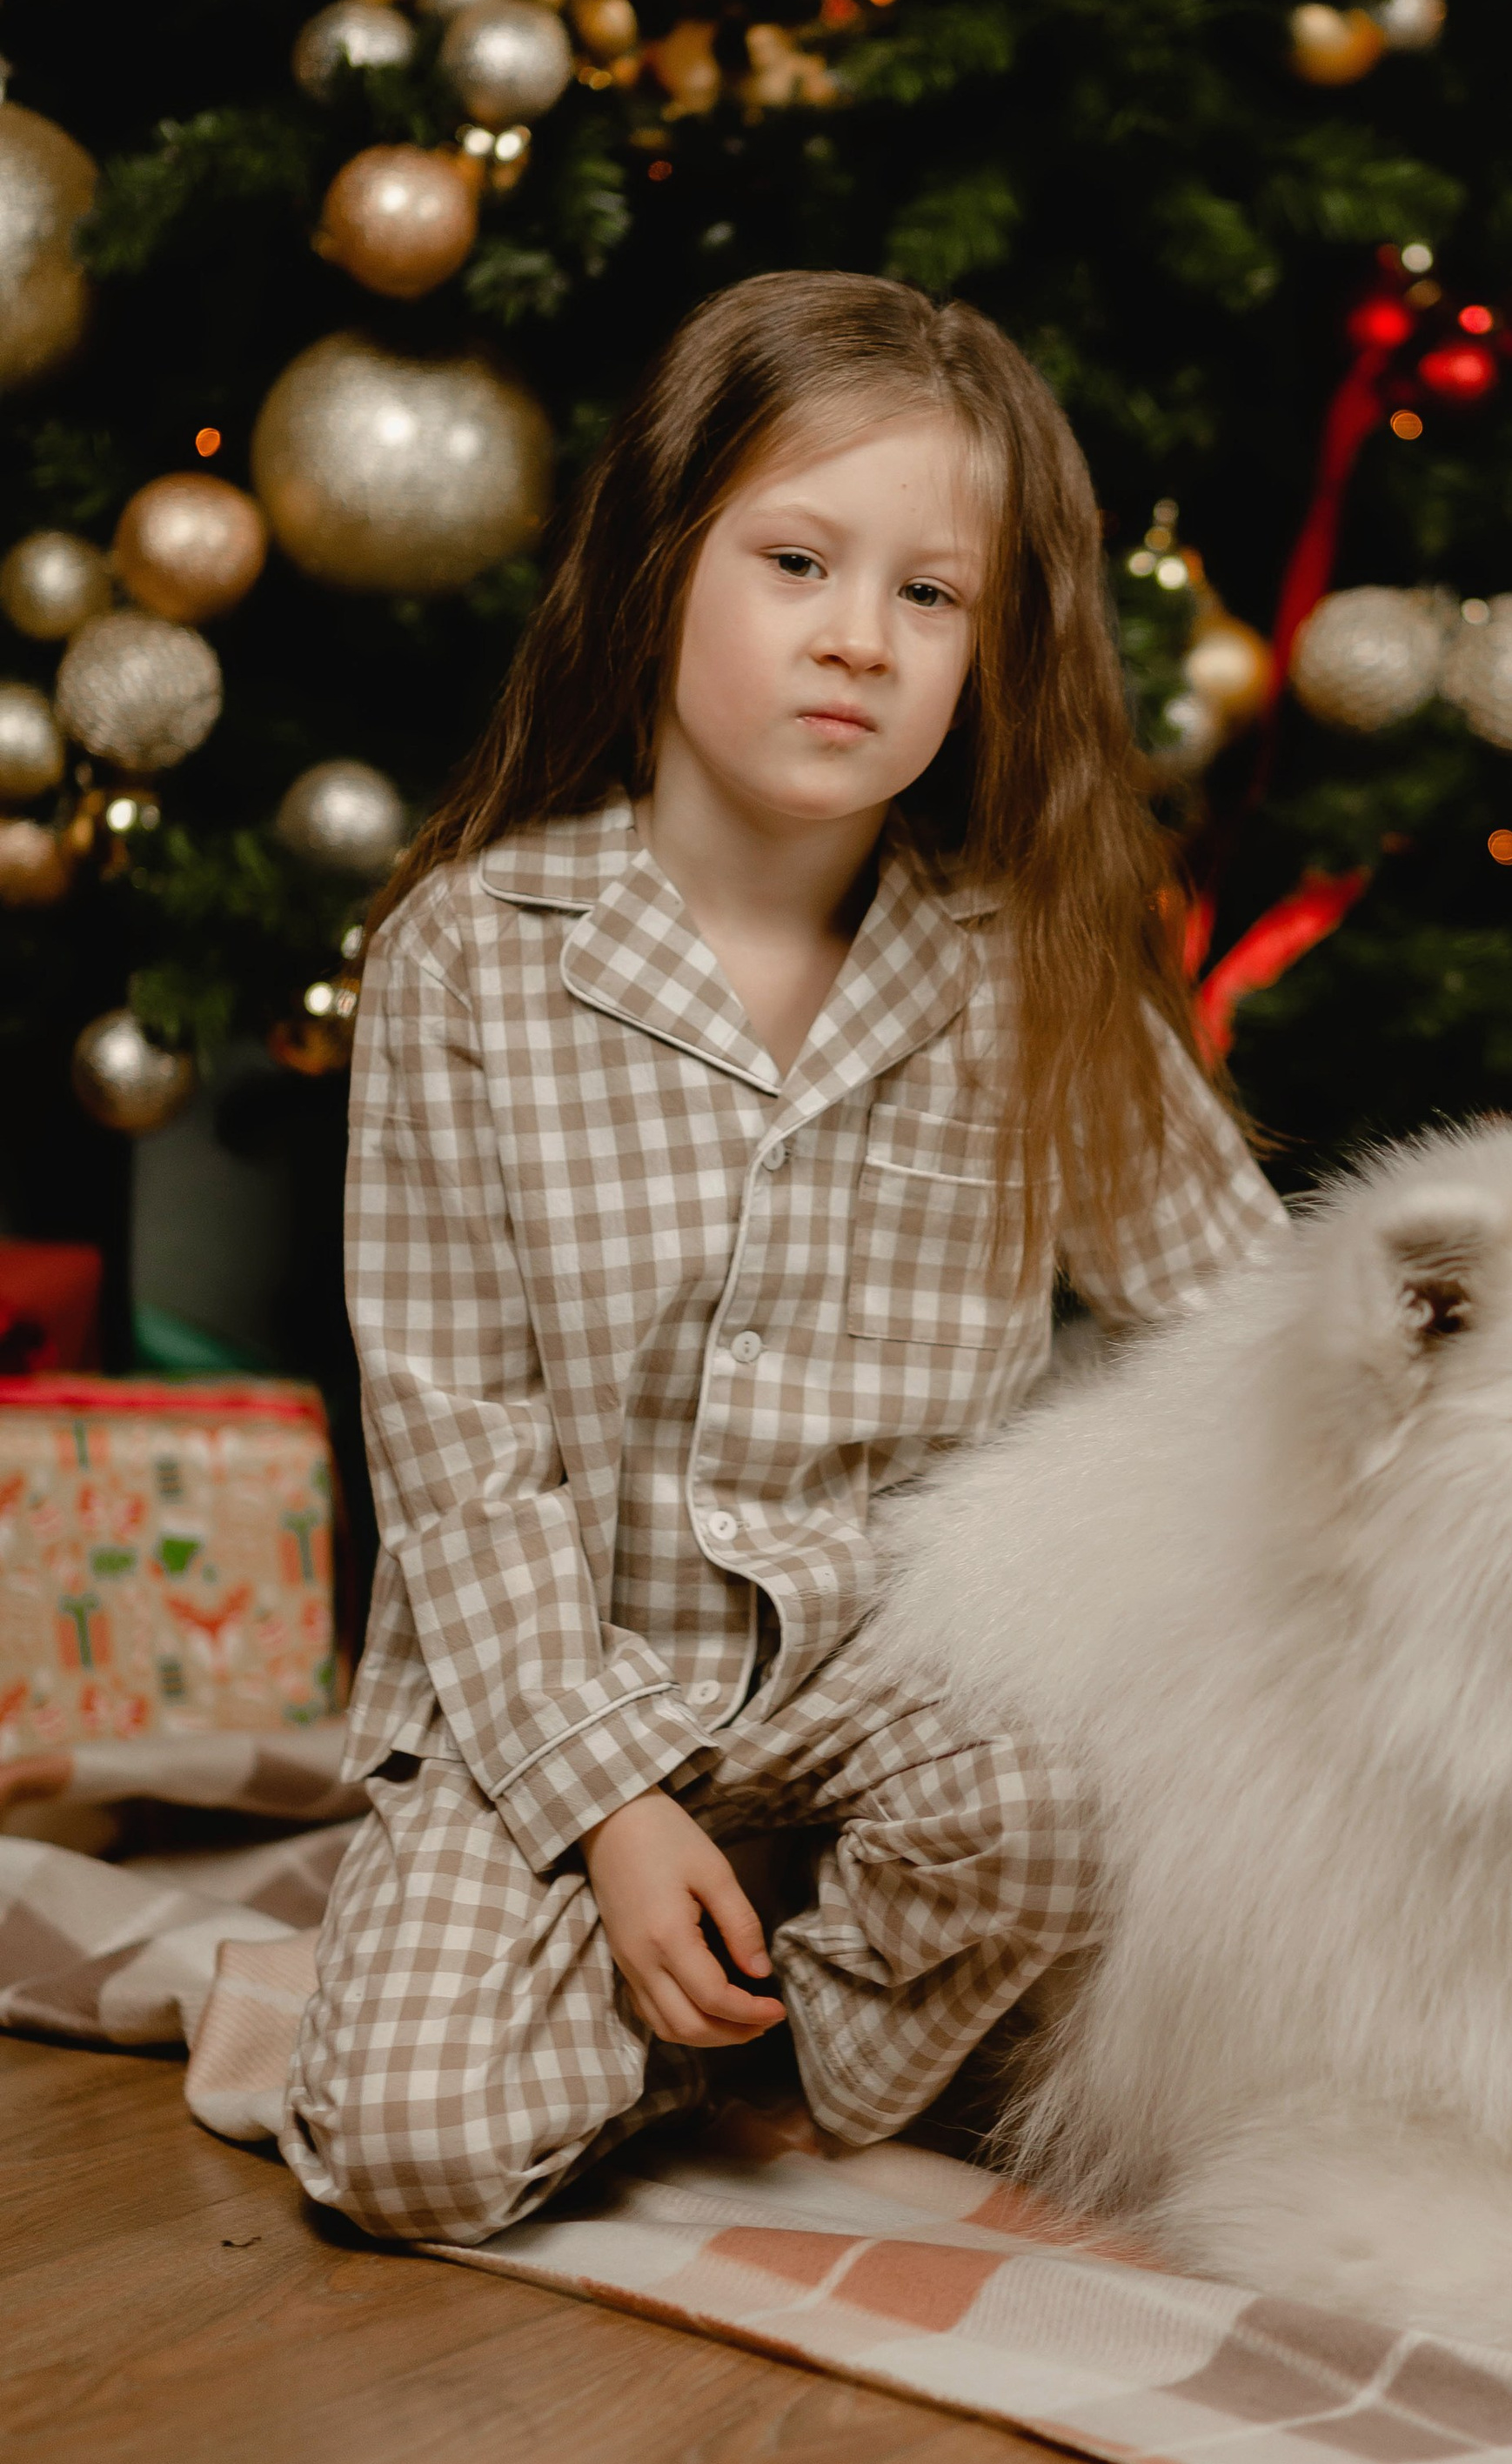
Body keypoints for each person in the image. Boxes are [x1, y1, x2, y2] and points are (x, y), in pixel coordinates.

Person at [280, 271, 1285, 2246]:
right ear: (661, 570)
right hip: (554, 1696)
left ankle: (758, 2032)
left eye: (931, 597)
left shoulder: (1027, 974)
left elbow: (1256, 1333)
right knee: (409, 2149)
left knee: (1065, 1811)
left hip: (890, 1696)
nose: (858, 641)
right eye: (798, 561)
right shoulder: (472, 958)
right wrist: (611, 1817)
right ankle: (693, 1993)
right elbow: (454, 1443)